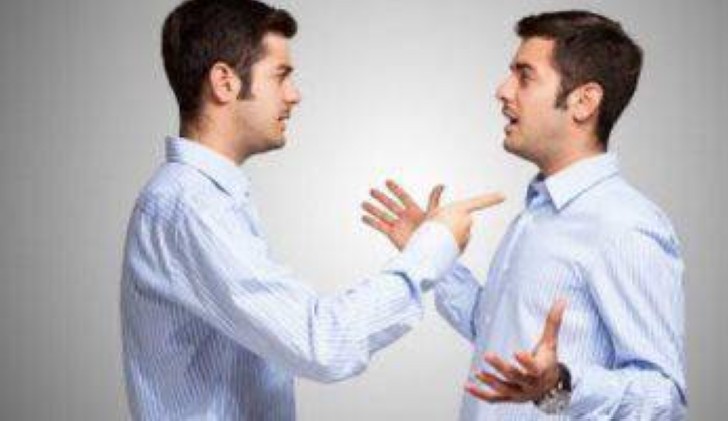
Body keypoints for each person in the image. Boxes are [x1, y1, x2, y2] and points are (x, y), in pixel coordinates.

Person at [120, 1, 503, 419]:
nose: (294, 94)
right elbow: (322, 343)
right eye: (280, 75)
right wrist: (432, 249)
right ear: (225, 82)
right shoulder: (191, 208)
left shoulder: (204, 201)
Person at [361, 10, 686, 420]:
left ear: (583, 101)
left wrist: (559, 385)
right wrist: (432, 253)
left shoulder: (625, 225)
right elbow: (493, 328)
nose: (502, 90)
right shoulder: (537, 213)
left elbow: (663, 398)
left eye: (524, 76)